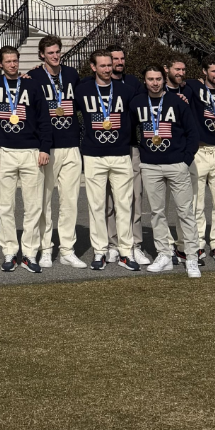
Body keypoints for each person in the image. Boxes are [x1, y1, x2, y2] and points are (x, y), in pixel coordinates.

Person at [0, 46, 52, 273]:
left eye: (15, 60)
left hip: (31, 152)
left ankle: (30, 253)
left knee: (33, 206)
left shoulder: (31, 84)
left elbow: (44, 118)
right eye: (8, 61)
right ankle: (10, 251)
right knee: (5, 206)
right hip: (4, 152)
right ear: (0, 64)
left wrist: (44, 148)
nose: (13, 64)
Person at [132, 66, 201, 277]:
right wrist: (141, 154)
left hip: (176, 164)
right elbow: (129, 129)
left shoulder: (178, 102)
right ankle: (164, 254)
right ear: (144, 80)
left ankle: (191, 258)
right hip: (150, 166)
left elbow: (192, 133)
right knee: (157, 213)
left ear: (164, 80)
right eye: (150, 79)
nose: (154, 82)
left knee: (185, 212)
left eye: (158, 79)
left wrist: (185, 159)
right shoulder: (137, 103)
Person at [75, 49, 140, 271]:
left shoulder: (127, 91)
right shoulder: (82, 90)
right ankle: (100, 251)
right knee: (97, 206)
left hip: (121, 154)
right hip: (94, 155)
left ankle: (125, 251)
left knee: (124, 205)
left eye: (109, 65)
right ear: (93, 67)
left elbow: (145, 111)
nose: (107, 69)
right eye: (102, 66)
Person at [27, 35, 84, 268]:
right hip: (47, 148)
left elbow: (82, 102)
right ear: (42, 55)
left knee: (70, 201)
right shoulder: (33, 77)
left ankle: (67, 249)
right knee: (44, 201)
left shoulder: (71, 75)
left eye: (57, 51)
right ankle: (46, 248)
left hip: (71, 145)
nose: (55, 55)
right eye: (50, 52)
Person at [183, 55, 215, 262]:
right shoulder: (193, 88)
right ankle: (198, 243)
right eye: (213, 71)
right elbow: (171, 83)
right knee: (196, 202)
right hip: (199, 151)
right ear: (204, 71)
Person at [105, 44, 149, 265]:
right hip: (106, 150)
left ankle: (135, 244)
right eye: (115, 59)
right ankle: (113, 245)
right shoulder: (95, 84)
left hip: (131, 148)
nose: (119, 62)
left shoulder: (133, 83)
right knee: (110, 202)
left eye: (122, 58)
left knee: (134, 199)